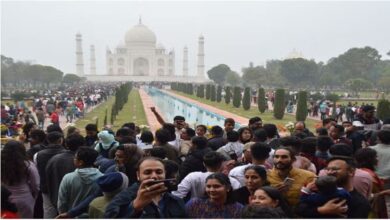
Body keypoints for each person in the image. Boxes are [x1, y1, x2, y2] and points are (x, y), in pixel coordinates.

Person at [104, 157, 187, 218]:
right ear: (138, 175)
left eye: (159, 172)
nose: (154, 176)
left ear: (165, 174)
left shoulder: (176, 201)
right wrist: (135, 207)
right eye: (147, 172)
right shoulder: (123, 198)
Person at [297, 156, 371, 218]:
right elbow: (299, 209)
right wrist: (321, 210)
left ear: (351, 172)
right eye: (328, 169)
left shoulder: (360, 202)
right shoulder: (318, 191)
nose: (329, 172)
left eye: (335, 169)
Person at [45, 133, 85, 215]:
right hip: (78, 204)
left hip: (57, 201)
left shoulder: (54, 159)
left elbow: (48, 179)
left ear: (66, 144)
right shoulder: (84, 161)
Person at [173, 151, 240, 199]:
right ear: (222, 164)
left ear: (204, 164)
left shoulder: (193, 176)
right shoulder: (232, 181)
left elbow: (178, 194)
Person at [57, 147, 103, 217]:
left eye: (75, 158)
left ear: (80, 162)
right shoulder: (103, 178)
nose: (73, 159)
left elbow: (62, 202)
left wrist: (64, 215)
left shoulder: (68, 178)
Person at [1, 141, 40, 218]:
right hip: (24, 198)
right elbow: (36, 184)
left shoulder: (2, 164)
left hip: (4, 199)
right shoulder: (28, 165)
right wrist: (34, 195)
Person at [35, 131, 65, 218]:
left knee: (48, 211)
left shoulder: (38, 154)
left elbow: (37, 170)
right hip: (62, 185)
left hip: (46, 186)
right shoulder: (67, 154)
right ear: (60, 140)